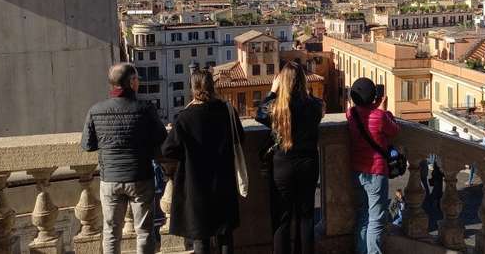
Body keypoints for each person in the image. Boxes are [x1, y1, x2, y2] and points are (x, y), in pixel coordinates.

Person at [81, 63, 167, 254]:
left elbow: (88, 145)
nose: (138, 82)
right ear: (131, 82)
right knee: (144, 232)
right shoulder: (145, 109)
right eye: (136, 78)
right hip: (140, 177)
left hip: (110, 178)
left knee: (111, 232)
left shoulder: (95, 110)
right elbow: (162, 137)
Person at [161, 69, 244, 254]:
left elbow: (167, 149)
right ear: (212, 86)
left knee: (201, 239)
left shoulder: (184, 117)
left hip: (196, 185)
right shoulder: (227, 111)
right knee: (225, 236)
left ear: (193, 88)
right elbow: (240, 138)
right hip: (223, 182)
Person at [256, 62, 324, 254]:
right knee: (306, 217)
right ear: (303, 81)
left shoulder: (277, 108)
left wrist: (272, 91)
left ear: (282, 82)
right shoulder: (315, 106)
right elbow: (318, 106)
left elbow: (259, 113)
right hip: (308, 165)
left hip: (282, 166)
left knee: (282, 219)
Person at [347, 78, 400, 254]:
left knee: (363, 215)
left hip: (357, 170)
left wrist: (373, 105)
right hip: (375, 172)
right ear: (373, 97)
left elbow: (363, 114)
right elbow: (394, 130)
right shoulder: (380, 116)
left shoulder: (351, 114)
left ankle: (361, 251)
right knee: (376, 220)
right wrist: (384, 110)